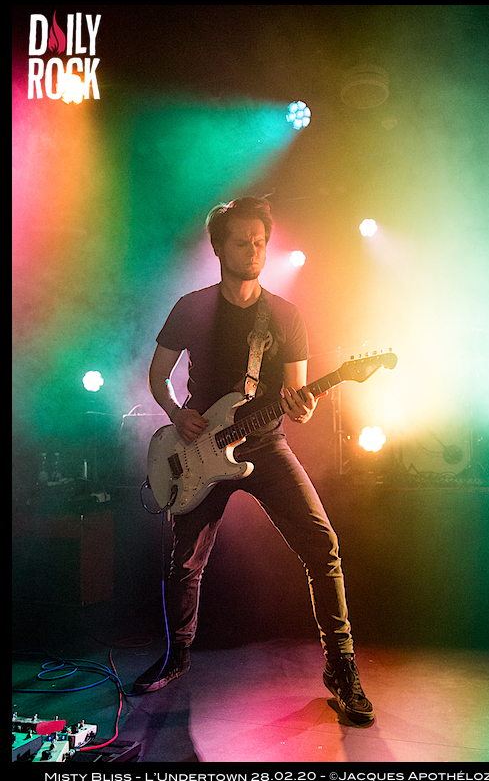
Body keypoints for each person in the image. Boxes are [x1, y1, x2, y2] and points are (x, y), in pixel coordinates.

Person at [133, 197, 373, 724]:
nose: (253, 250)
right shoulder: (191, 307)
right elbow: (158, 375)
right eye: (241, 242)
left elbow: (297, 398)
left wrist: (303, 405)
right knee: (185, 561)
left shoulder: (285, 315)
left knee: (322, 546)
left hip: (263, 445)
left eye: (260, 242)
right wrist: (176, 413)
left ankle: (341, 667)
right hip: (199, 448)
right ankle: (177, 657)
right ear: (219, 247)